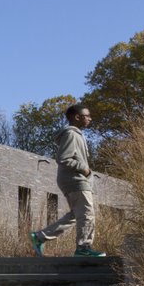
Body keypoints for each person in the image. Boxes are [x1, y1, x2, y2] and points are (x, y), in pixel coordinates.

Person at [30, 104, 106, 258]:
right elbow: (63, 158)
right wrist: (83, 169)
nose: (90, 119)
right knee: (87, 214)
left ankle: (40, 237)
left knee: (76, 214)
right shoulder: (72, 134)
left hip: (74, 180)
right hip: (76, 180)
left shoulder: (77, 135)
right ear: (77, 117)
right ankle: (84, 248)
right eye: (87, 116)